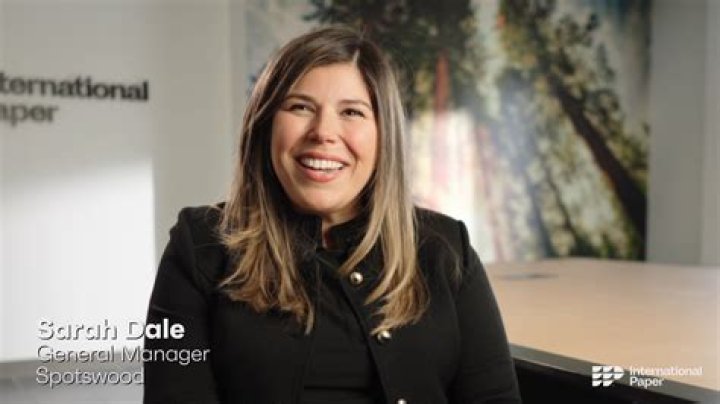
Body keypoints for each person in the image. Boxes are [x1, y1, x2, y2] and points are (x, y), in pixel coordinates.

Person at [143, 26, 521, 404]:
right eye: (300, 107)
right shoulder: (200, 246)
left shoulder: (447, 248)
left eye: (352, 112)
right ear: (265, 124)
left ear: (384, 136)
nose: (323, 132)